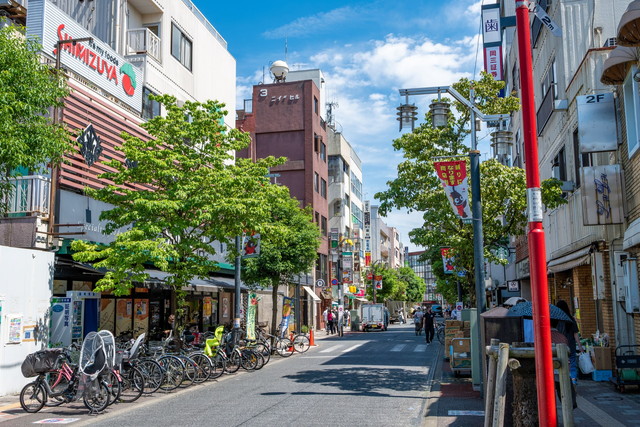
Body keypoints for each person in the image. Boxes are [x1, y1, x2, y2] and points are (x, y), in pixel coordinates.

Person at [555, 300, 584, 386]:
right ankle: (573, 380)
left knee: (561, 362)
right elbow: (576, 334)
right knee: (572, 361)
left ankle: (562, 379)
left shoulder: (556, 320)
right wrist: (580, 346)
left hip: (559, 344)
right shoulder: (571, 319)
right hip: (570, 344)